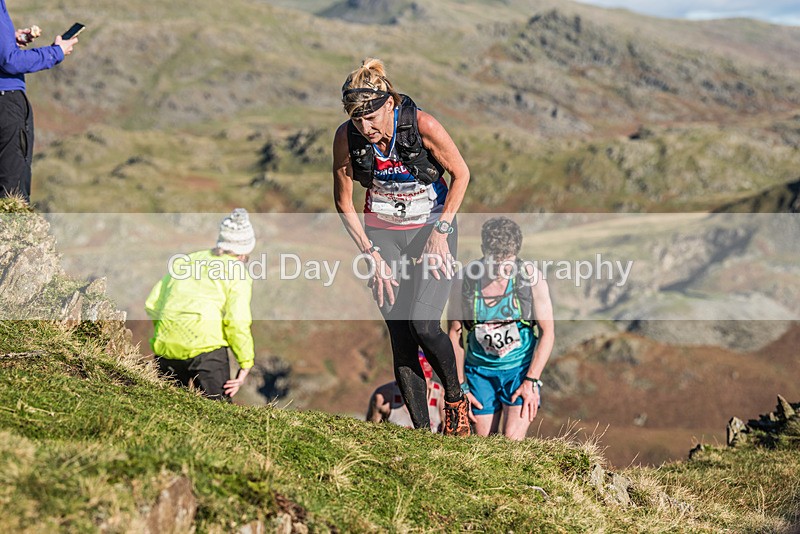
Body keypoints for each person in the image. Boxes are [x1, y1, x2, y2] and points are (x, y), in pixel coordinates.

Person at [333, 58, 472, 436]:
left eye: (373, 117)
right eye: (357, 119)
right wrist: (371, 254)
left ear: (390, 104)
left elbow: (462, 173)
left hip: (432, 228)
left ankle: (455, 401)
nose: (366, 127)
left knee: (424, 324)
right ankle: (422, 434)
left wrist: (441, 231)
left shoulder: (421, 125)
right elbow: (344, 203)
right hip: (383, 235)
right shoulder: (347, 137)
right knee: (401, 335)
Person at [448, 217, 555, 440]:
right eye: (494, 261)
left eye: (508, 261)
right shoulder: (464, 280)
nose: (501, 269)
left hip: (519, 371)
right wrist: (460, 388)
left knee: (511, 441)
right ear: (483, 251)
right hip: (479, 373)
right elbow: (454, 334)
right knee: (481, 443)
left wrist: (531, 381)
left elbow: (548, 333)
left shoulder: (530, 278)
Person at [145, 208, 256, 401]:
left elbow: (153, 303)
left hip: (167, 347)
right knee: (218, 415)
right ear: (245, 248)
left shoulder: (188, 260)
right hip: (207, 350)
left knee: (165, 411)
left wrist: (168, 332)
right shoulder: (238, 273)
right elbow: (237, 322)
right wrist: (245, 364)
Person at [0, 5, 79, 201]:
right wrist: (55, 52)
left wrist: (10, 39)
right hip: (6, 100)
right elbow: (10, 61)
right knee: (12, 186)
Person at [366, 351, 444, 433]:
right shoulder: (384, 397)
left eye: (422, 381)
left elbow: (450, 437)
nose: (417, 387)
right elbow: (370, 433)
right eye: (412, 382)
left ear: (429, 379)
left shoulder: (440, 397)